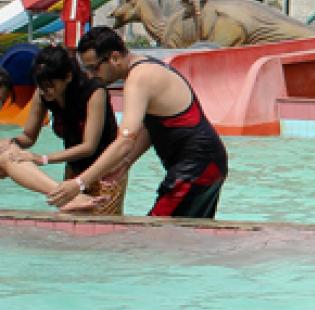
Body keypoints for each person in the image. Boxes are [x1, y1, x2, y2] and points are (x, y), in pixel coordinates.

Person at [47, 27, 229, 218]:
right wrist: (126, 163)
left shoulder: (138, 79)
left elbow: (125, 141)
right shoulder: (146, 68)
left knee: (152, 235)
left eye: (94, 68)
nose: (91, 76)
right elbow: (151, 127)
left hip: (196, 167)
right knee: (185, 238)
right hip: (207, 163)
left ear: (115, 58)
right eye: (86, 69)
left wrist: (79, 183)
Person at [0, 46, 126, 214]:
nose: (45, 90)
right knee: (10, 154)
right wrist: (12, 142)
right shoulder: (43, 94)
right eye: (40, 85)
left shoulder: (93, 92)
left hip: (105, 169)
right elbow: (28, 137)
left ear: (67, 77)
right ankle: (73, 198)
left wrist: (42, 159)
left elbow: (89, 146)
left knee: (103, 225)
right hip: (75, 167)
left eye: (49, 85)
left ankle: (74, 198)